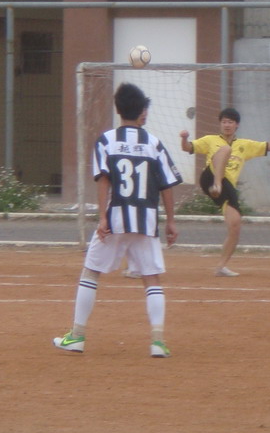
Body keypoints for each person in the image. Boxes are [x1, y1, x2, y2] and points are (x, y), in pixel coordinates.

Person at [54, 83, 181, 357]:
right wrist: (171, 220)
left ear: (118, 109)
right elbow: (167, 185)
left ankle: (77, 336)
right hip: (146, 220)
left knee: (91, 272)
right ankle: (158, 341)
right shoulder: (154, 143)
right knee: (152, 278)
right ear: (142, 110)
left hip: (116, 218)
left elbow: (104, 180)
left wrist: (102, 217)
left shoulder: (106, 140)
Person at [179, 108, 270, 277]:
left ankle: (221, 267)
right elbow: (187, 147)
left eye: (230, 122)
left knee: (235, 225)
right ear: (220, 124)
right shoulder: (210, 140)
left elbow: (269, 146)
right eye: (224, 122)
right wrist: (184, 138)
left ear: (237, 125)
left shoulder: (244, 145)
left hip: (227, 187)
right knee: (225, 150)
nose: (227, 125)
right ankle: (217, 185)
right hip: (210, 178)